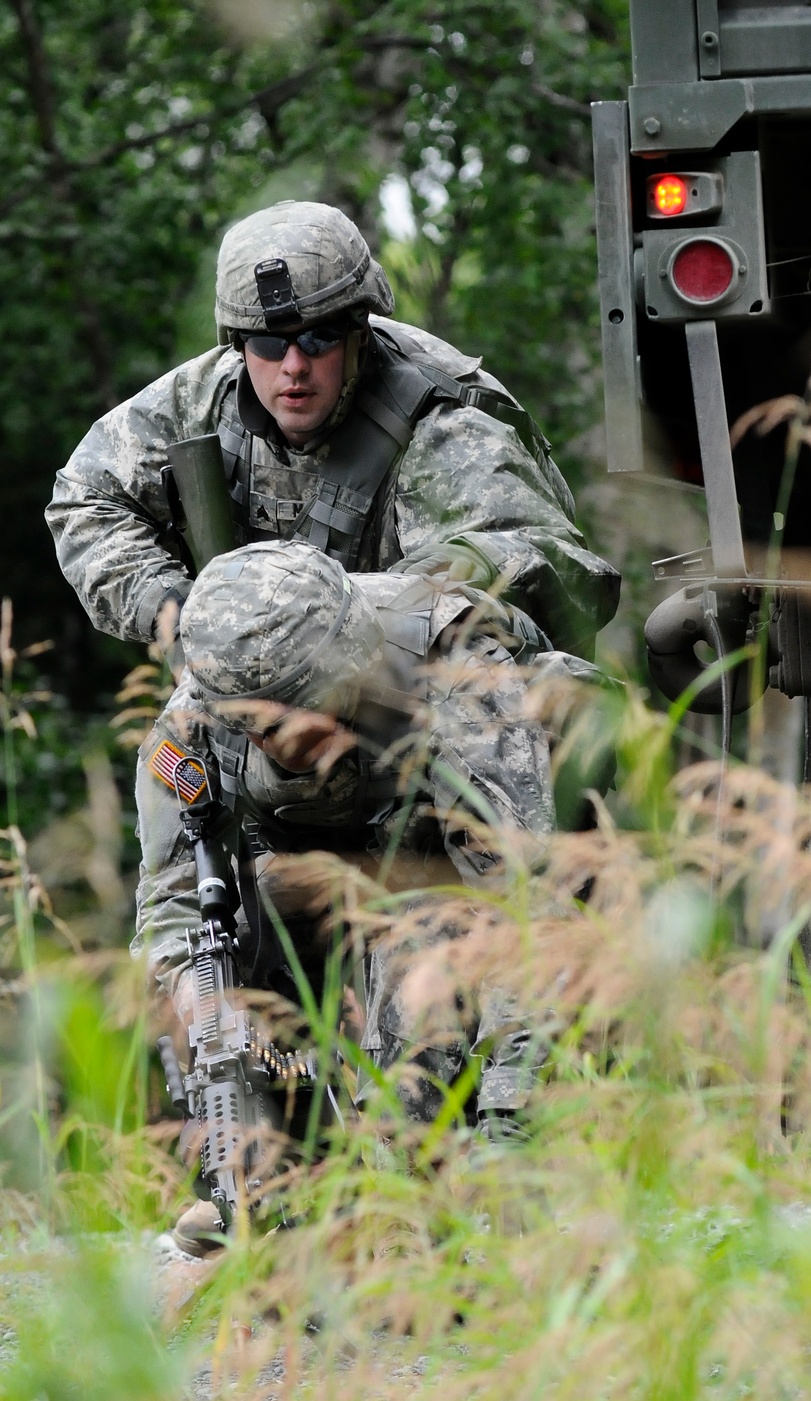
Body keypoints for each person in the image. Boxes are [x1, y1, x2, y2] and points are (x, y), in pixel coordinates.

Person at [139, 542, 558, 1209]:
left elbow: (530, 910)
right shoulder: (196, 721)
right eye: (253, 722)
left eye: (296, 708)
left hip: (450, 860)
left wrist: (511, 1116)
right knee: (212, 953)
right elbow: (170, 904)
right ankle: (265, 1176)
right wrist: (203, 1002)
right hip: (321, 867)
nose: (274, 737)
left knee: (421, 941)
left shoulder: (454, 672)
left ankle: (400, 1170)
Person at [45, 199, 620, 665]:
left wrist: (349, 614)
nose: (293, 365)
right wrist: (179, 612)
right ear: (239, 345)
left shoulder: (443, 420)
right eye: (268, 344)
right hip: (260, 687)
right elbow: (85, 497)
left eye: (318, 339)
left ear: (359, 336)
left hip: (418, 692)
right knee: (176, 764)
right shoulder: (201, 397)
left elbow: (543, 558)